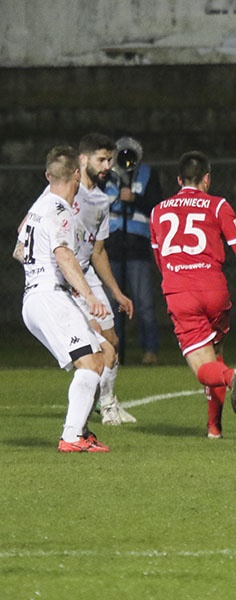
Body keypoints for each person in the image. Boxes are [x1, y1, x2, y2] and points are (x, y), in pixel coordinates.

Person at [150, 151, 236, 439]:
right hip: (215, 290)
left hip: (181, 292)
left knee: (205, 369)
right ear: (207, 179)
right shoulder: (218, 206)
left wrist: (175, 283)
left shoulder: (158, 211)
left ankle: (230, 377)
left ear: (179, 180)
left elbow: (160, 259)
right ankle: (214, 428)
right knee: (217, 354)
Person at [14, 145, 113, 452]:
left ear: (47, 176)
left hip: (37, 296)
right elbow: (64, 255)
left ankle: (80, 430)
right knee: (90, 362)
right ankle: (72, 436)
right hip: (49, 297)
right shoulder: (60, 209)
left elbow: (19, 249)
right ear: (75, 174)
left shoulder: (37, 209)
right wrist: (89, 295)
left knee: (102, 354)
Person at [71, 133, 137, 426]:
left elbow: (98, 251)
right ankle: (103, 407)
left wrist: (116, 292)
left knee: (113, 340)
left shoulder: (100, 199)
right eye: (101, 159)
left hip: (87, 273)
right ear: (83, 159)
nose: (107, 165)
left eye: (109, 159)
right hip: (68, 280)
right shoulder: (64, 193)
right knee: (102, 348)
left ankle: (106, 402)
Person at [105, 135, 164, 366]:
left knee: (144, 303)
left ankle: (150, 351)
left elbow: (157, 204)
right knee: (112, 304)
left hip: (137, 245)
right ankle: (114, 351)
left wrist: (135, 199)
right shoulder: (106, 174)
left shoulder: (148, 174)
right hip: (111, 245)